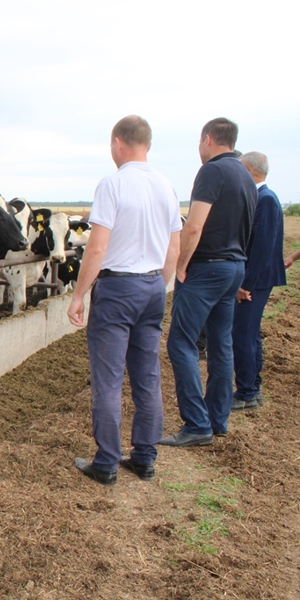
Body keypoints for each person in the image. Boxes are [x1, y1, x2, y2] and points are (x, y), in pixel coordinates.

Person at [67, 115, 181, 486]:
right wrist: (156, 284)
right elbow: (173, 248)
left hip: (117, 291)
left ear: (118, 142)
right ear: (145, 143)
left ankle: (106, 463)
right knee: (147, 377)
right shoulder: (166, 186)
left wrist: (79, 294)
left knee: (109, 379)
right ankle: (145, 458)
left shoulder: (112, 185)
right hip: (151, 287)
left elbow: (97, 247)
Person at [161, 118, 257, 447]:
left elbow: (193, 226)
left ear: (208, 140)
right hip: (234, 268)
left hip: (207, 268)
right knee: (221, 344)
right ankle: (218, 418)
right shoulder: (246, 174)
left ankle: (196, 424)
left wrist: (181, 265)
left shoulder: (212, 172)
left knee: (180, 343)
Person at [231, 152, 286, 410]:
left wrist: (246, 284)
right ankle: (253, 384)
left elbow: (262, 248)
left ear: (250, 170)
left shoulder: (265, 200)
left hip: (256, 280)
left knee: (242, 333)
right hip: (257, 278)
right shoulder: (263, 198)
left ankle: (247, 392)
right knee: (248, 333)